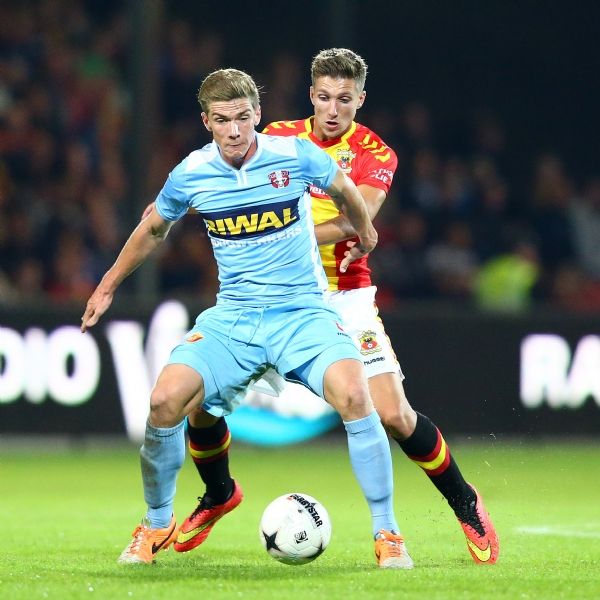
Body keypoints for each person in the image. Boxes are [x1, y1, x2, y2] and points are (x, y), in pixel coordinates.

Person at [81, 67, 412, 568]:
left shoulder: (294, 154)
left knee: (354, 394)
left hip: (302, 313)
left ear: (258, 114)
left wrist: (365, 233)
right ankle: (155, 522)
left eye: (242, 117)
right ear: (206, 122)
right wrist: (107, 285)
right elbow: (153, 229)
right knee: (165, 401)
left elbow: (345, 188)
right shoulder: (191, 173)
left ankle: (388, 533)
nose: (234, 131)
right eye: (222, 120)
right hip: (234, 318)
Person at [181, 49, 499, 566]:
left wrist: (287, 234)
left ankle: (465, 503)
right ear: (311, 95)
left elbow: (359, 218)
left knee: (393, 414)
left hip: (343, 295)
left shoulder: (375, 152)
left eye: (344, 100)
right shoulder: (279, 136)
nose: (333, 110)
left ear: (360, 100)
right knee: (199, 401)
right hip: (272, 295)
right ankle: (219, 494)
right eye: (325, 98)